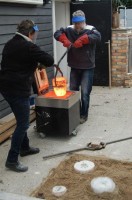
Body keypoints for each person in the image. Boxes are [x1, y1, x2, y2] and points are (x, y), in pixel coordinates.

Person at [0, 20, 54, 172]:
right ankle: (11, 160)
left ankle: (24, 148)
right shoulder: (29, 46)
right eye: (34, 34)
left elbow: (18, 61)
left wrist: (34, 63)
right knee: (23, 124)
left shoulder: (10, 43)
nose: (35, 36)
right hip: (17, 89)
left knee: (20, 119)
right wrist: (38, 61)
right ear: (30, 33)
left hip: (5, 87)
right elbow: (49, 61)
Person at [54, 10, 101, 124]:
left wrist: (84, 39)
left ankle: (83, 115)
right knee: (73, 92)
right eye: (76, 23)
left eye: (80, 23)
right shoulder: (69, 28)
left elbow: (98, 36)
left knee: (85, 93)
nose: (77, 26)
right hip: (74, 66)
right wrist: (64, 39)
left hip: (88, 67)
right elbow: (57, 33)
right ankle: (74, 113)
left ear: (84, 21)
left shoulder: (90, 29)